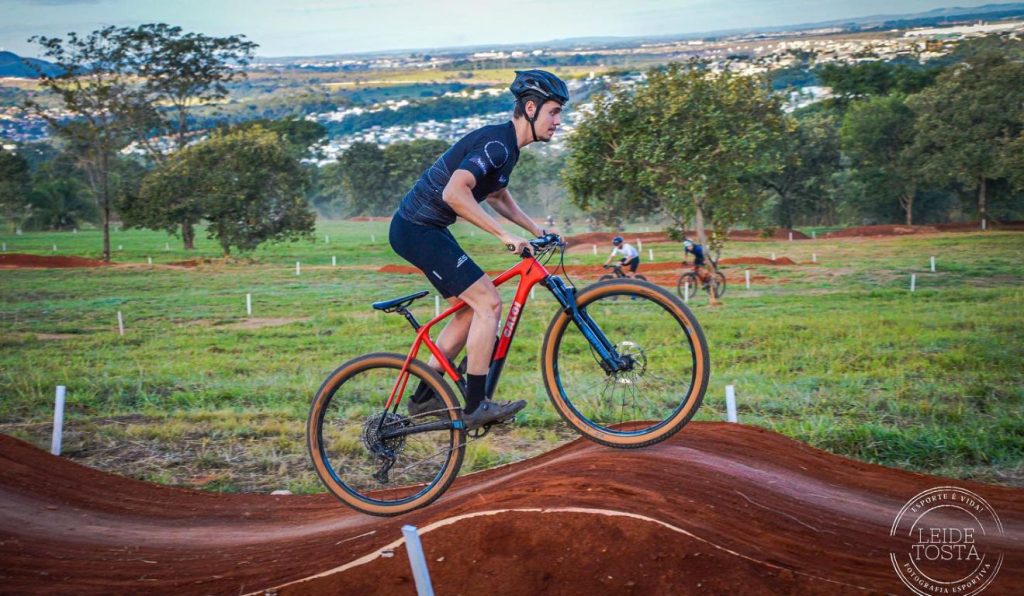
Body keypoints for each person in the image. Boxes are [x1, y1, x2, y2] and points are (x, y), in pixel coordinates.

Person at [388, 69, 569, 430]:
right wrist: (505, 236)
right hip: (416, 229)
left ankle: (424, 398)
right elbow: (454, 193)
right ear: (530, 108)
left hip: (428, 229)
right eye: (554, 111)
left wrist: (536, 230)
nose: (559, 121)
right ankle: (476, 405)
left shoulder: (508, 149)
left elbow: (497, 194)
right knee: (488, 302)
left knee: (471, 311)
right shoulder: (497, 145)